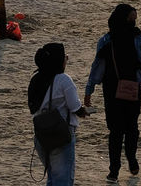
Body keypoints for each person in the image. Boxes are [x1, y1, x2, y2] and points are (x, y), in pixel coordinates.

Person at [84, 4, 141, 182]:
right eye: (131, 18)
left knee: (120, 130)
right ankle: (123, 164)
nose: (134, 22)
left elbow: (96, 68)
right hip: (130, 90)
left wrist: (89, 90)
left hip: (113, 90)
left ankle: (118, 168)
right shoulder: (137, 39)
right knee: (127, 129)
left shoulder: (107, 40)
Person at [28, 42, 88, 186]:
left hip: (42, 136)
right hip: (60, 135)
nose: (66, 61)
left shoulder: (36, 79)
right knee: (63, 179)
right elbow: (75, 106)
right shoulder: (63, 79)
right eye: (65, 58)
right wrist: (83, 111)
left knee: (52, 178)